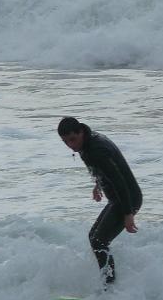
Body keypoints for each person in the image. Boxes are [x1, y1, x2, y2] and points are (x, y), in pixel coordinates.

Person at [57, 117, 142, 285]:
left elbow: (119, 180)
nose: (71, 145)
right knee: (93, 238)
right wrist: (98, 185)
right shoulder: (87, 142)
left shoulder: (96, 149)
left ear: (80, 131)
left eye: (72, 139)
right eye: (65, 142)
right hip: (118, 199)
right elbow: (103, 169)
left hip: (126, 199)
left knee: (99, 241)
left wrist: (128, 213)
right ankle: (108, 281)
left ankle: (110, 287)